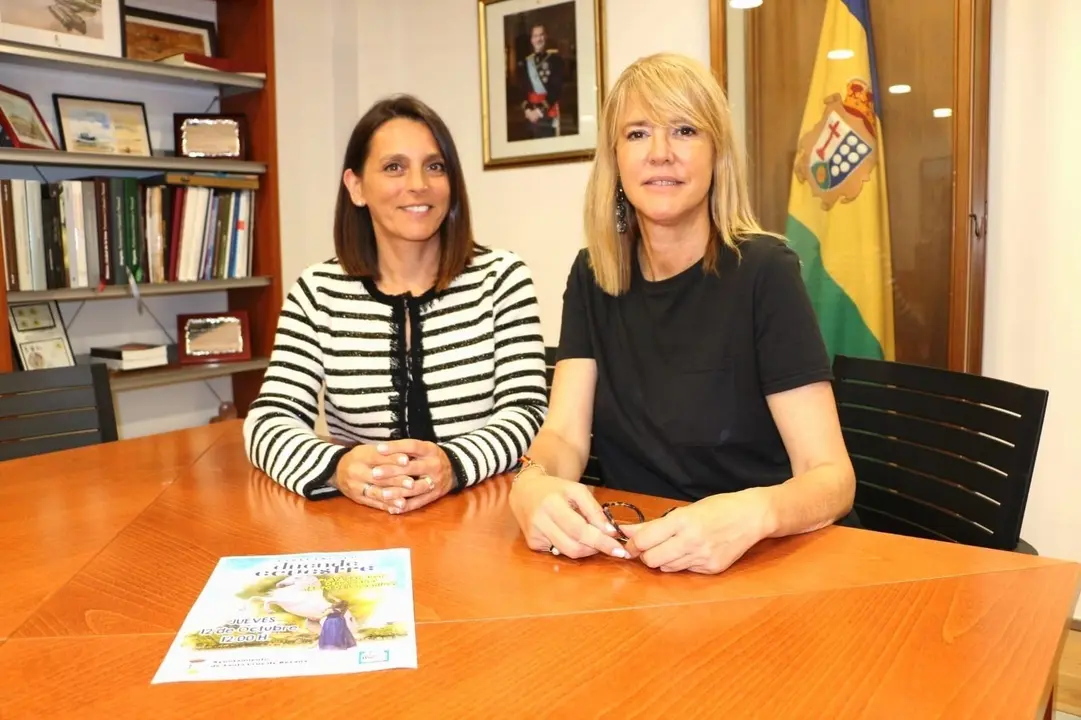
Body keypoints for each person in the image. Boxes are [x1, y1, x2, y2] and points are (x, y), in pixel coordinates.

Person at [508, 53, 858, 575]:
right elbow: (564, 436)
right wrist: (532, 483)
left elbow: (831, 477)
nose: (660, 154)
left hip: (762, 560)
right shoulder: (593, 273)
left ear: (717, 155)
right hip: (640, 557)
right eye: (637, 134)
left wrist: (752, 514)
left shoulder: (765, 271)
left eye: (685, 130)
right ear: (615, 161)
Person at [244, 94, 548, 512]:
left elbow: (528, 413)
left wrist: (453, 465)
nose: (418, 184)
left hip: (485, 515)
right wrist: (338, 467)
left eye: (435, 166)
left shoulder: (501, 279)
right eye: (394, 167)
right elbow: (268, 422)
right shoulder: (317, 291)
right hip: (365, 520)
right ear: (356, 187)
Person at [517, 23, 565, 138]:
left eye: (541, 35)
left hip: (548, 113)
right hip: (530, 116)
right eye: (535, 36)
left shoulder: (556, 60)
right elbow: (522, 91)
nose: (538, 39)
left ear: (546, 37)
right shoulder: (526, 63)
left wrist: (539, 111)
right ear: (531, 40)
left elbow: (556, 90)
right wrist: (528, 110)